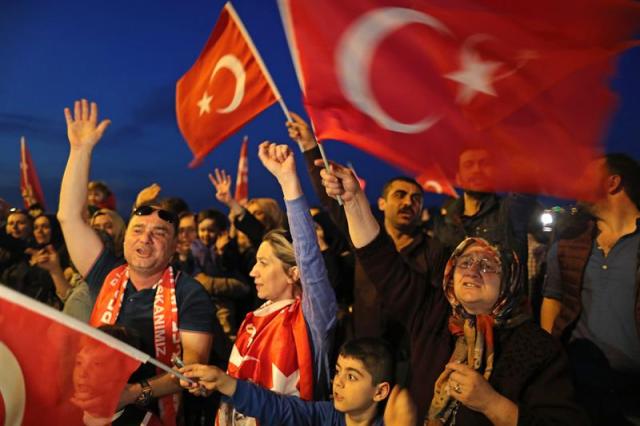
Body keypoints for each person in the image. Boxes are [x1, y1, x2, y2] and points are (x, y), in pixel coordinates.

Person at [320, 162, 586, 424]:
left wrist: (493, 404)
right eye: (464, 262)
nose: (472, 271)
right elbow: (381, 260)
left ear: (509, 280)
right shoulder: (432, 314)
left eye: (487, 265)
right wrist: (354, 201)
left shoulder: (536, 347)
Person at [57, 99, 215, 425]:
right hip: (96, 412)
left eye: (158, 233)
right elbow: (69, 217)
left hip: (156, 417)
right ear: (125, 238)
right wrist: (80, 150)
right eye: (138, 230)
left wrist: (131, 393)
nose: (145, 238)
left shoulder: (190, 293)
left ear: (173, 250)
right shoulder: (106, 272)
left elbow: (192, 371)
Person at [213, 142, 337, 425]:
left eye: (264, 263)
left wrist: (288, 182)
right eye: (255, 261)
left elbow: (310, 260)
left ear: (294, 273)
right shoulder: (254, 319)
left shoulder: (312, 317)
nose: (254, 271)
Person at [540, 153, 640, 424]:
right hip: (578, 390)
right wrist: (548, 358)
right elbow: (553, 297)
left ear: (613, 183)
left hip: (634, 399)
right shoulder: (568, 241)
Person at [180, 338, 403, 426]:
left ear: (380, 391)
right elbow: (277, 407)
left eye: (352, 376)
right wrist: (222, 381)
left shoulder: (396, 422)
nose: (338, 382)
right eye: (337, 371)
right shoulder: (325, 415)